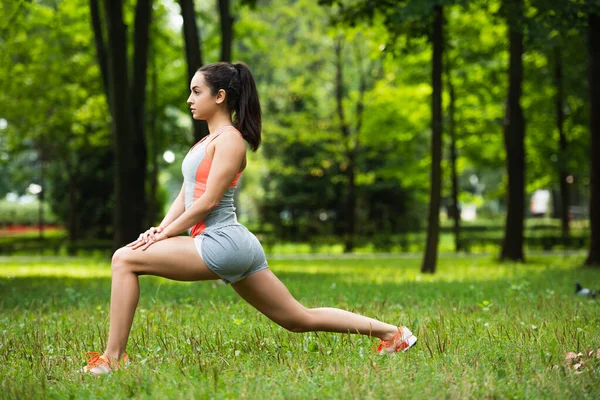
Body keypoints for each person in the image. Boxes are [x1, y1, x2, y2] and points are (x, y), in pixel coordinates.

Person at [82, 62, 417, 375]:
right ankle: (393, 334)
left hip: (221, 240)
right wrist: (159, 229)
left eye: (197, 91)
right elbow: (187, 193)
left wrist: (165, 234)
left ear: (220, 96)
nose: (189, 99)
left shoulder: (230, 141)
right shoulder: (208, 140)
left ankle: (112, 359)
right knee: (298, 318)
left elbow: (209, 201)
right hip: (231, 244)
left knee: (124, 260)